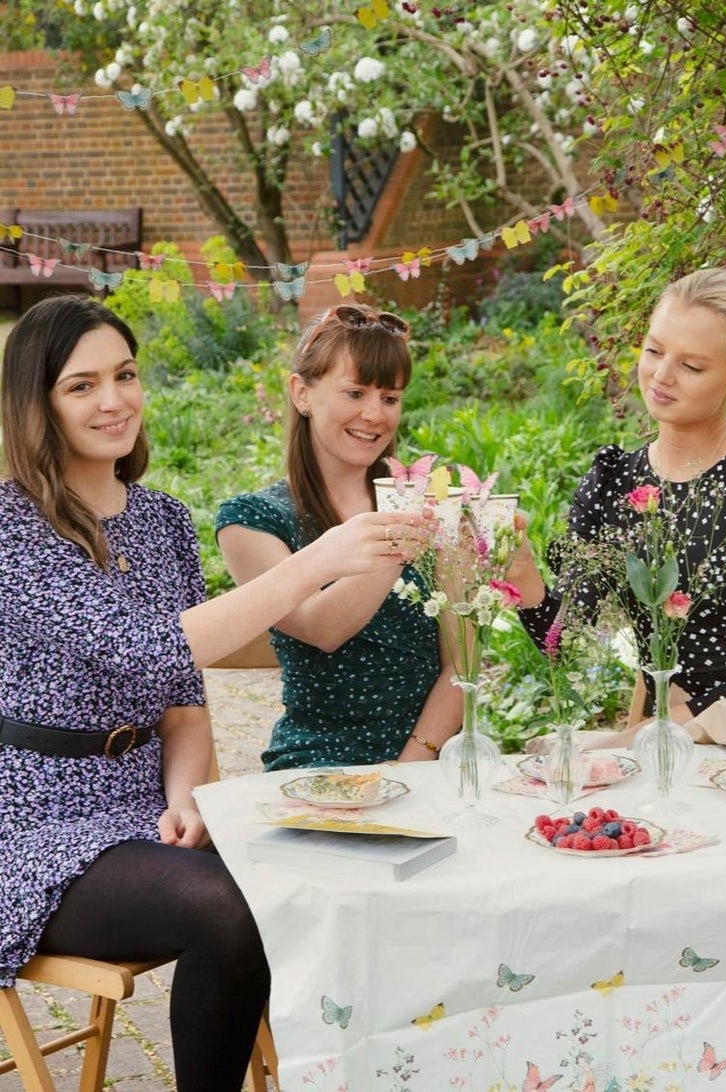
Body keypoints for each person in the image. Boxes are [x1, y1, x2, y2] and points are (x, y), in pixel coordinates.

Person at [0, 295, 427, 1092]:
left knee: (325, 868)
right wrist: (320, 557)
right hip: (33, 825)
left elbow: (181, 697)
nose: (114, 399)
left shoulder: (160, 520)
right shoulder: (12, 528)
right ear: (38, 404)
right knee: (231, 907)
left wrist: (193, 795)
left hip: (143, 808)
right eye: (81, 385)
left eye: (124, 375)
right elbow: (144, 651)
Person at [509, 266, 726, 737]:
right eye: (653, 351)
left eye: (692, 366)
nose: (662, 376)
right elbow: (561, 644)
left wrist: (661, 730)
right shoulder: (614, 481)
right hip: (659, 744)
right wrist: (524, 578)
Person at [216, 303, 463, 770]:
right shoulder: (253, 520)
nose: (374, 414)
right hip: (319, 764)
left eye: (390, 398)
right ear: (301, 393)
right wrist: (405, 531)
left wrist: (410, 767)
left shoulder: (431, 505)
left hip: (435, 761)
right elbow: (321, 629)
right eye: (355, 392)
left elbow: (461, 664)